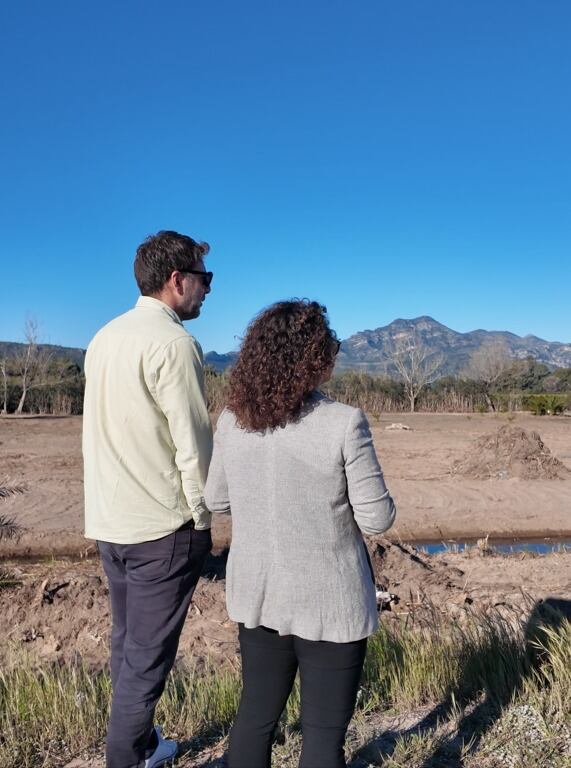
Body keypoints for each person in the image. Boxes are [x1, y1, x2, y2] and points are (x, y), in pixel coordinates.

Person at [204, 299, 396, 768]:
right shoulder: (344, 422)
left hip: (260, 595)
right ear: (313, 359)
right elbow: (377, 519)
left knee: (255, 719)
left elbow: (216, 500)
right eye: (330, 347)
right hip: (331, 600)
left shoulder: (231, 420)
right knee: (323, 738)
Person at [83, 230, 214, 768]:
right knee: (146, 662)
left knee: (127, 645)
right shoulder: (174, 344)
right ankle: (127, 758)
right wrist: (202, 519)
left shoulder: (104, 337)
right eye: (205, 278)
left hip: (111, 522)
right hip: (162, 528)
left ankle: (141, 745)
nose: (208, 290)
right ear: (177, 280)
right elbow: (194, 445)